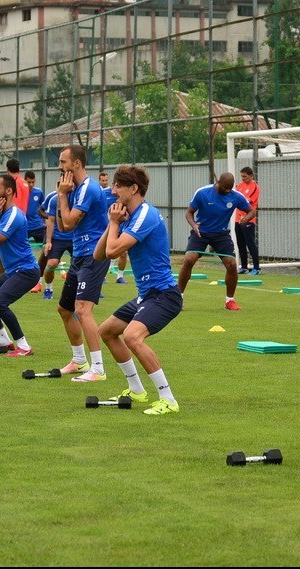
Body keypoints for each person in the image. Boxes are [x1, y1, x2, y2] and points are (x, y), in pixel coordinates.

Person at [95, 166, 183, 415]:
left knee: (132, 337)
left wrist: (115, 223)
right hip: (147, 295)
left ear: (133, 189)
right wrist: (112, 223)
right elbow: (99, 254)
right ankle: (136, 389)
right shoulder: (130, 217)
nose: (113, 191)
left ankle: (168, 399)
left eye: (117, 186)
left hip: (164, 295)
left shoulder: (145, 214)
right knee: (107, 331)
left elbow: (112, 251)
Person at [55, 144, 111, 381]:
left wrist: (61, 195)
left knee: (82, 310)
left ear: (76, 163)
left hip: (94, 255)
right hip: (79, 255)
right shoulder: (73, 189)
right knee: (65, 310)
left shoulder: (88, 187)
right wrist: (62, 195)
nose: (59, 166)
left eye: (63, 162)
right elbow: (62, 226)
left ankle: (98, 369)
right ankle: (79, 361)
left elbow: (68, 223)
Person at [0, 174, 42, 356]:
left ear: (9, 191)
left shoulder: (13, 215)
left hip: (26, 271)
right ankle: (4, 341)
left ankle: (24, 346)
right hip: (13, 271)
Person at [178, 172, 255, 310]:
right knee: (189, 260)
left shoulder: (236, 196)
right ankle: (178, 298)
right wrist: (194, 225)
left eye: (229, 189)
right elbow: (189, 212)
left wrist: (246, 219)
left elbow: (251, 211)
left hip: (221, 234)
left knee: (232, 264)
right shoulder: (203, 193)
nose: (226, 191)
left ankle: (229, 301)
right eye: (224, 188)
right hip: (201, 232)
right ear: (218, 181)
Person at [39, 190, 73, 300]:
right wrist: (48, 241)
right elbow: (50, 220)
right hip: (57, 238)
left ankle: (88, 290)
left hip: (75, 237)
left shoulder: (77, 198)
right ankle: (48, 289)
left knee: (82, 265)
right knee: (51, 263)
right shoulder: (54, 199)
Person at [101, 173, 128, 285]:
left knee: (123, 253)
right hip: (108, 228)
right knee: (106, 253)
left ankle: (120, 276)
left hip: (121, 227)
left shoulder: (124, 195)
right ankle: (102, 276)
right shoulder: (103, 194)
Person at [234, 166, 261, 275]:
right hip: (238, 219)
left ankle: (256, 268)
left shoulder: (255, 187)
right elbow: (235, 197)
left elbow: (246, 202)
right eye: (241, 176)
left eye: (244, 176)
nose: (243, 178)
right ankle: (244, 267)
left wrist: (237, 200)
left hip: (248, 219)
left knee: (250, 244)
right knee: (240, 244)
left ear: (251, 176)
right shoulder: (240, 185)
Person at [24, 171, 47, 293]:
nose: (31, 184)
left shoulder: (39, 192)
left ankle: (62, 271)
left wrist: (44, 222)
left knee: (47, 250)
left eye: (33, 182)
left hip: (38, 227)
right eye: (29, 182)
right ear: (24, 181)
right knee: (22, 252)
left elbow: (43, 208)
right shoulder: (20, 192)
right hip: (24, 227)